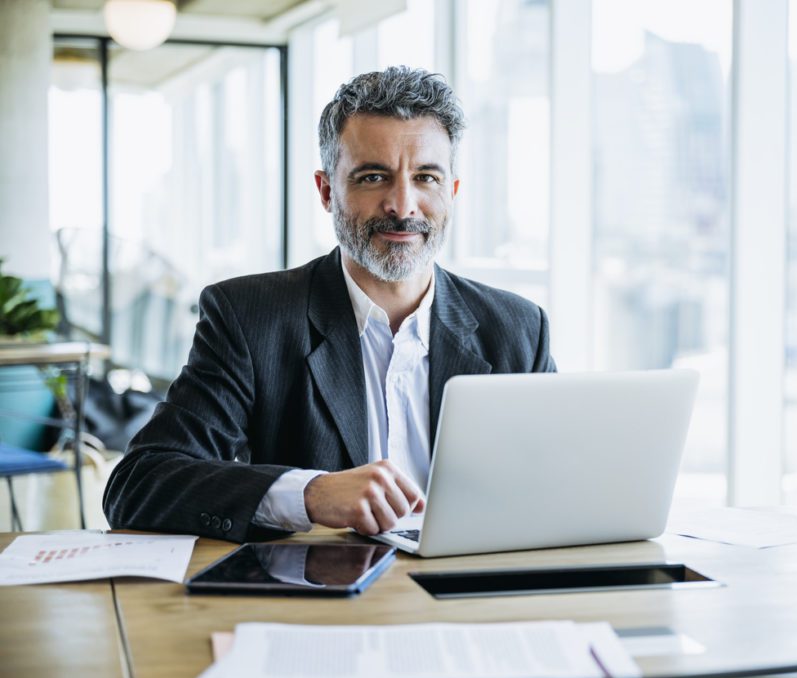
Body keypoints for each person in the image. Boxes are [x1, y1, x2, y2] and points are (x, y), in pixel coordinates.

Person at [102, 66, 556, 542]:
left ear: (453, 192)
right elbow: (138, 484)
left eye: (426, 177)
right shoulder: (249, 317)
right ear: (326, 191)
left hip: (477, 596)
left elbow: (559, 482)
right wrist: (309, 494)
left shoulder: (518, 328)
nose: (402, 206)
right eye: (373, 177)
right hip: (326, 601)